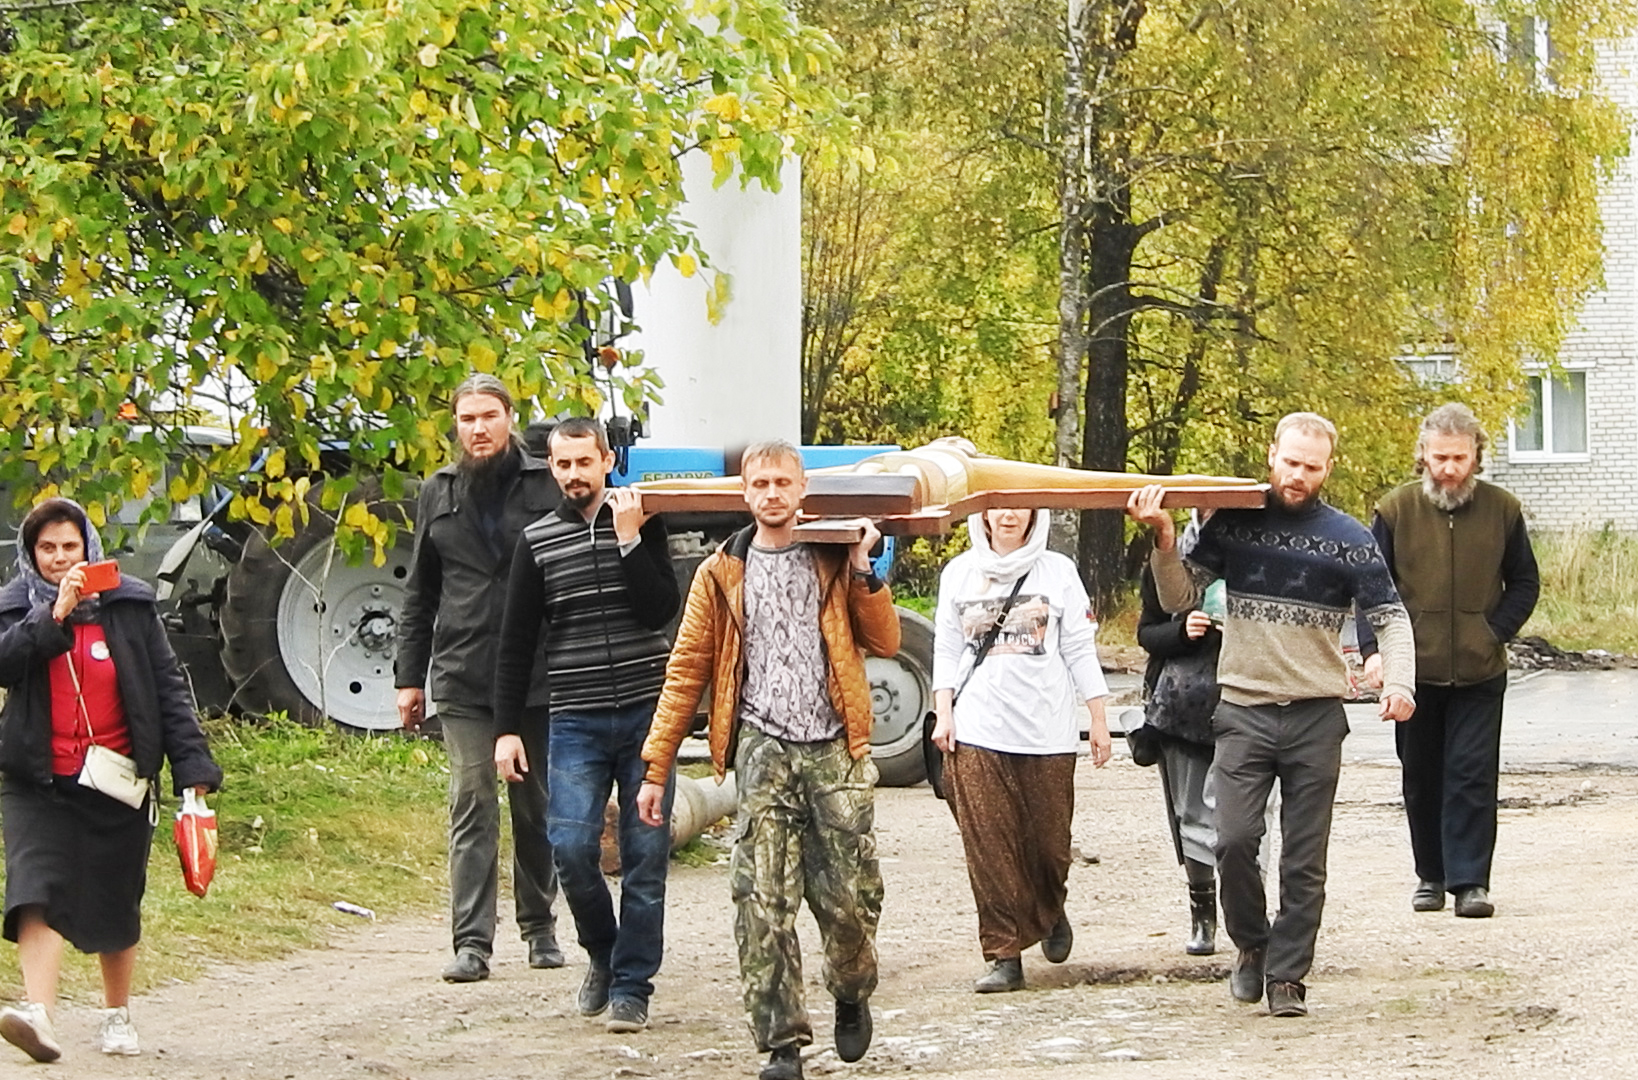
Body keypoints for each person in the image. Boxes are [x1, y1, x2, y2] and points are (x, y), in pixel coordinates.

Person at [1126, 412, 1417, 1018]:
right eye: (1290, 463)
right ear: (1272, 456)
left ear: (1327, 468)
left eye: (1311, 467)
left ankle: (1289, 976)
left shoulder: (1348, 536)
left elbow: (1389, 615)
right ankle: (1251, 946)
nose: (1298, 476)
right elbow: (1180, 597)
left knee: (1304, 858)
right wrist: (1160, 536)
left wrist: (1401, 683)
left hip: (1315, 715)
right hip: (1242, 709)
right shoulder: (1237, 519)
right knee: (1232, 839)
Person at [638, 440, 899, 1080]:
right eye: (761, 482)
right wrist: (656, 766)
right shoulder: (720, 572)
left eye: (784, 481)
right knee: (762, 900)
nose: (773, 493)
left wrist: (866, 570)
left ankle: (850, 988)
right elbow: (686, 670)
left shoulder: (834, 559)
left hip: (835, 747)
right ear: (745, 493)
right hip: (763, 748)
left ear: (802, 490)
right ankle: (782, 1044)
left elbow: (885, 640)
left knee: (848, 901)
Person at [0, 498, 222, 1062]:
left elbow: (167, 689)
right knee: (35, 889)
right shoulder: (14, 608)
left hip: (118, 777)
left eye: (69, 547)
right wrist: (55, 613)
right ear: (31, 553)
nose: (58, 559)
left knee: (115, 899)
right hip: (37, 777)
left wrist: (193, 770)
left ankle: (116, 1012)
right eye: (46, 549)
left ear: (88, 547)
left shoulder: (128, 605)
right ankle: (39, 1016)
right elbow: (6, 662)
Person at [492, 416, 680, 1035]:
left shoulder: (645, 522)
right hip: (575, 718)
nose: (574, 475)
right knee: (571, 848)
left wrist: (629, 540)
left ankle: (632, 987)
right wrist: (507, 727)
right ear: (552, 468)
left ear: (606, 461)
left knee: (645, 858)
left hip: (647, 717)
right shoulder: (537, 541)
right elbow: (516, 641)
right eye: (562, 465)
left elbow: (660, 609)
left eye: (584, 462)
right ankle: (603, 952)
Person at [394, 373, 563, 982]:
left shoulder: (547, 483)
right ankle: (472, 942)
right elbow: (420, 592)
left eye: (489, 416)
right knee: (472, 800)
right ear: (455, 426)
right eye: (467, 419)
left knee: (535, 803)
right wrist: (408, 677)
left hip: (537, 671)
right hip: (463, 670)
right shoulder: (437, 492)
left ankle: (539, 924)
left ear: (510, 418)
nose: (479, 428)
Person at [1361, 403, 1539, 918]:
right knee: (1420, 774)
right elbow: (1371, 589)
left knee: (1471, 772)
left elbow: (1525, 581)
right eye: (1440, 457)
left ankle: (1470, 882)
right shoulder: (1395, 510)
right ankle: (1430, 876)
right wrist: (1375, 652)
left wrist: (1495, 631)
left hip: (1481, 669)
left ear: (1476, 456)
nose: (1449, 468)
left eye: (1459, 458)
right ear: (1423, 455)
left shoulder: (1503, 509)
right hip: (1414, 673)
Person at [928, 506, 1112, 994]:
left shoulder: (1058, 572)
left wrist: (1097, 717)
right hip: (976, 728)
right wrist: (943, 713)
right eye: (996, 506)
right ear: (981, 515)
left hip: (1046, 730)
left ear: (1035, 513)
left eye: (1018, 505)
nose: (1007, 515)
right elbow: (946, 649)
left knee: (1049, 845)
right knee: (989, 845)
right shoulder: (959, 573)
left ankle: (1050, 909)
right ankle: (1003, 953)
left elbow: (1078, 646)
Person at [1135, 558, 1223, 956]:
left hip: (1247, 703)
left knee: (1250, 816)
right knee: (1189, 815)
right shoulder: (1169, 562)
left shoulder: (1255, 552)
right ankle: (1202, 917)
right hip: (1179, 708)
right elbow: (1148, 634)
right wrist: (1182, 632)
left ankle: (1249, 913)